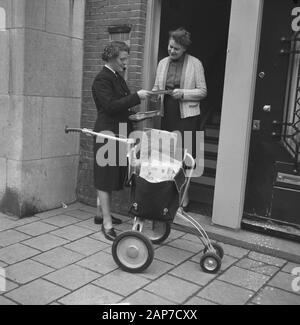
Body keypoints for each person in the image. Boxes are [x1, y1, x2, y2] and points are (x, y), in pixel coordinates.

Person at [92, 41, 150, 241]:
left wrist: (133, 116)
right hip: (107, 133)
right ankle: (107, 224)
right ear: (111, 58)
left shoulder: (117, 77)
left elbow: (120, 107)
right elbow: (109, 106)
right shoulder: (102, 79)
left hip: (119, 132)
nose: (126, 63)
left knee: (111, 175)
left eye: (127, 59)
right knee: (104, 177)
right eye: (122, 59)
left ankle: (100, 214)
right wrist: (136, 97)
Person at [152, 27, 207, 211]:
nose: (171, 51)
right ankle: (168, 195)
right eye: (170, 47)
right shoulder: (162, 63)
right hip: (166, 114)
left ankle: (184, 196)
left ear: (184, 48)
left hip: (187, 117)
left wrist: (182, 93)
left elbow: (202, 92)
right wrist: (154, 94)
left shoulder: (195, 63)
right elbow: (156, 87)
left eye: (176, 48)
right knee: (168, 157)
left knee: (186, 158)